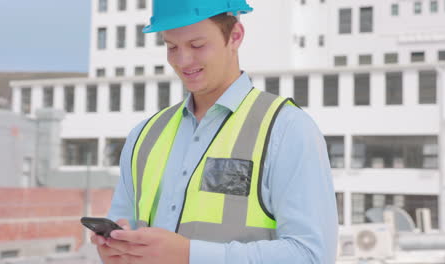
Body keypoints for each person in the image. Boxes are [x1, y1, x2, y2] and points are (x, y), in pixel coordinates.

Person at [90, 0, 338, 263]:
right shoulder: (144, 135)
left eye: (197, 45)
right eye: (171, 46)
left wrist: (188, 255)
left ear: (235, 37)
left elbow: (312, 255)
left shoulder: (287, 129)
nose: (183, 60)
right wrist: (117, 250)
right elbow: (124, 232)